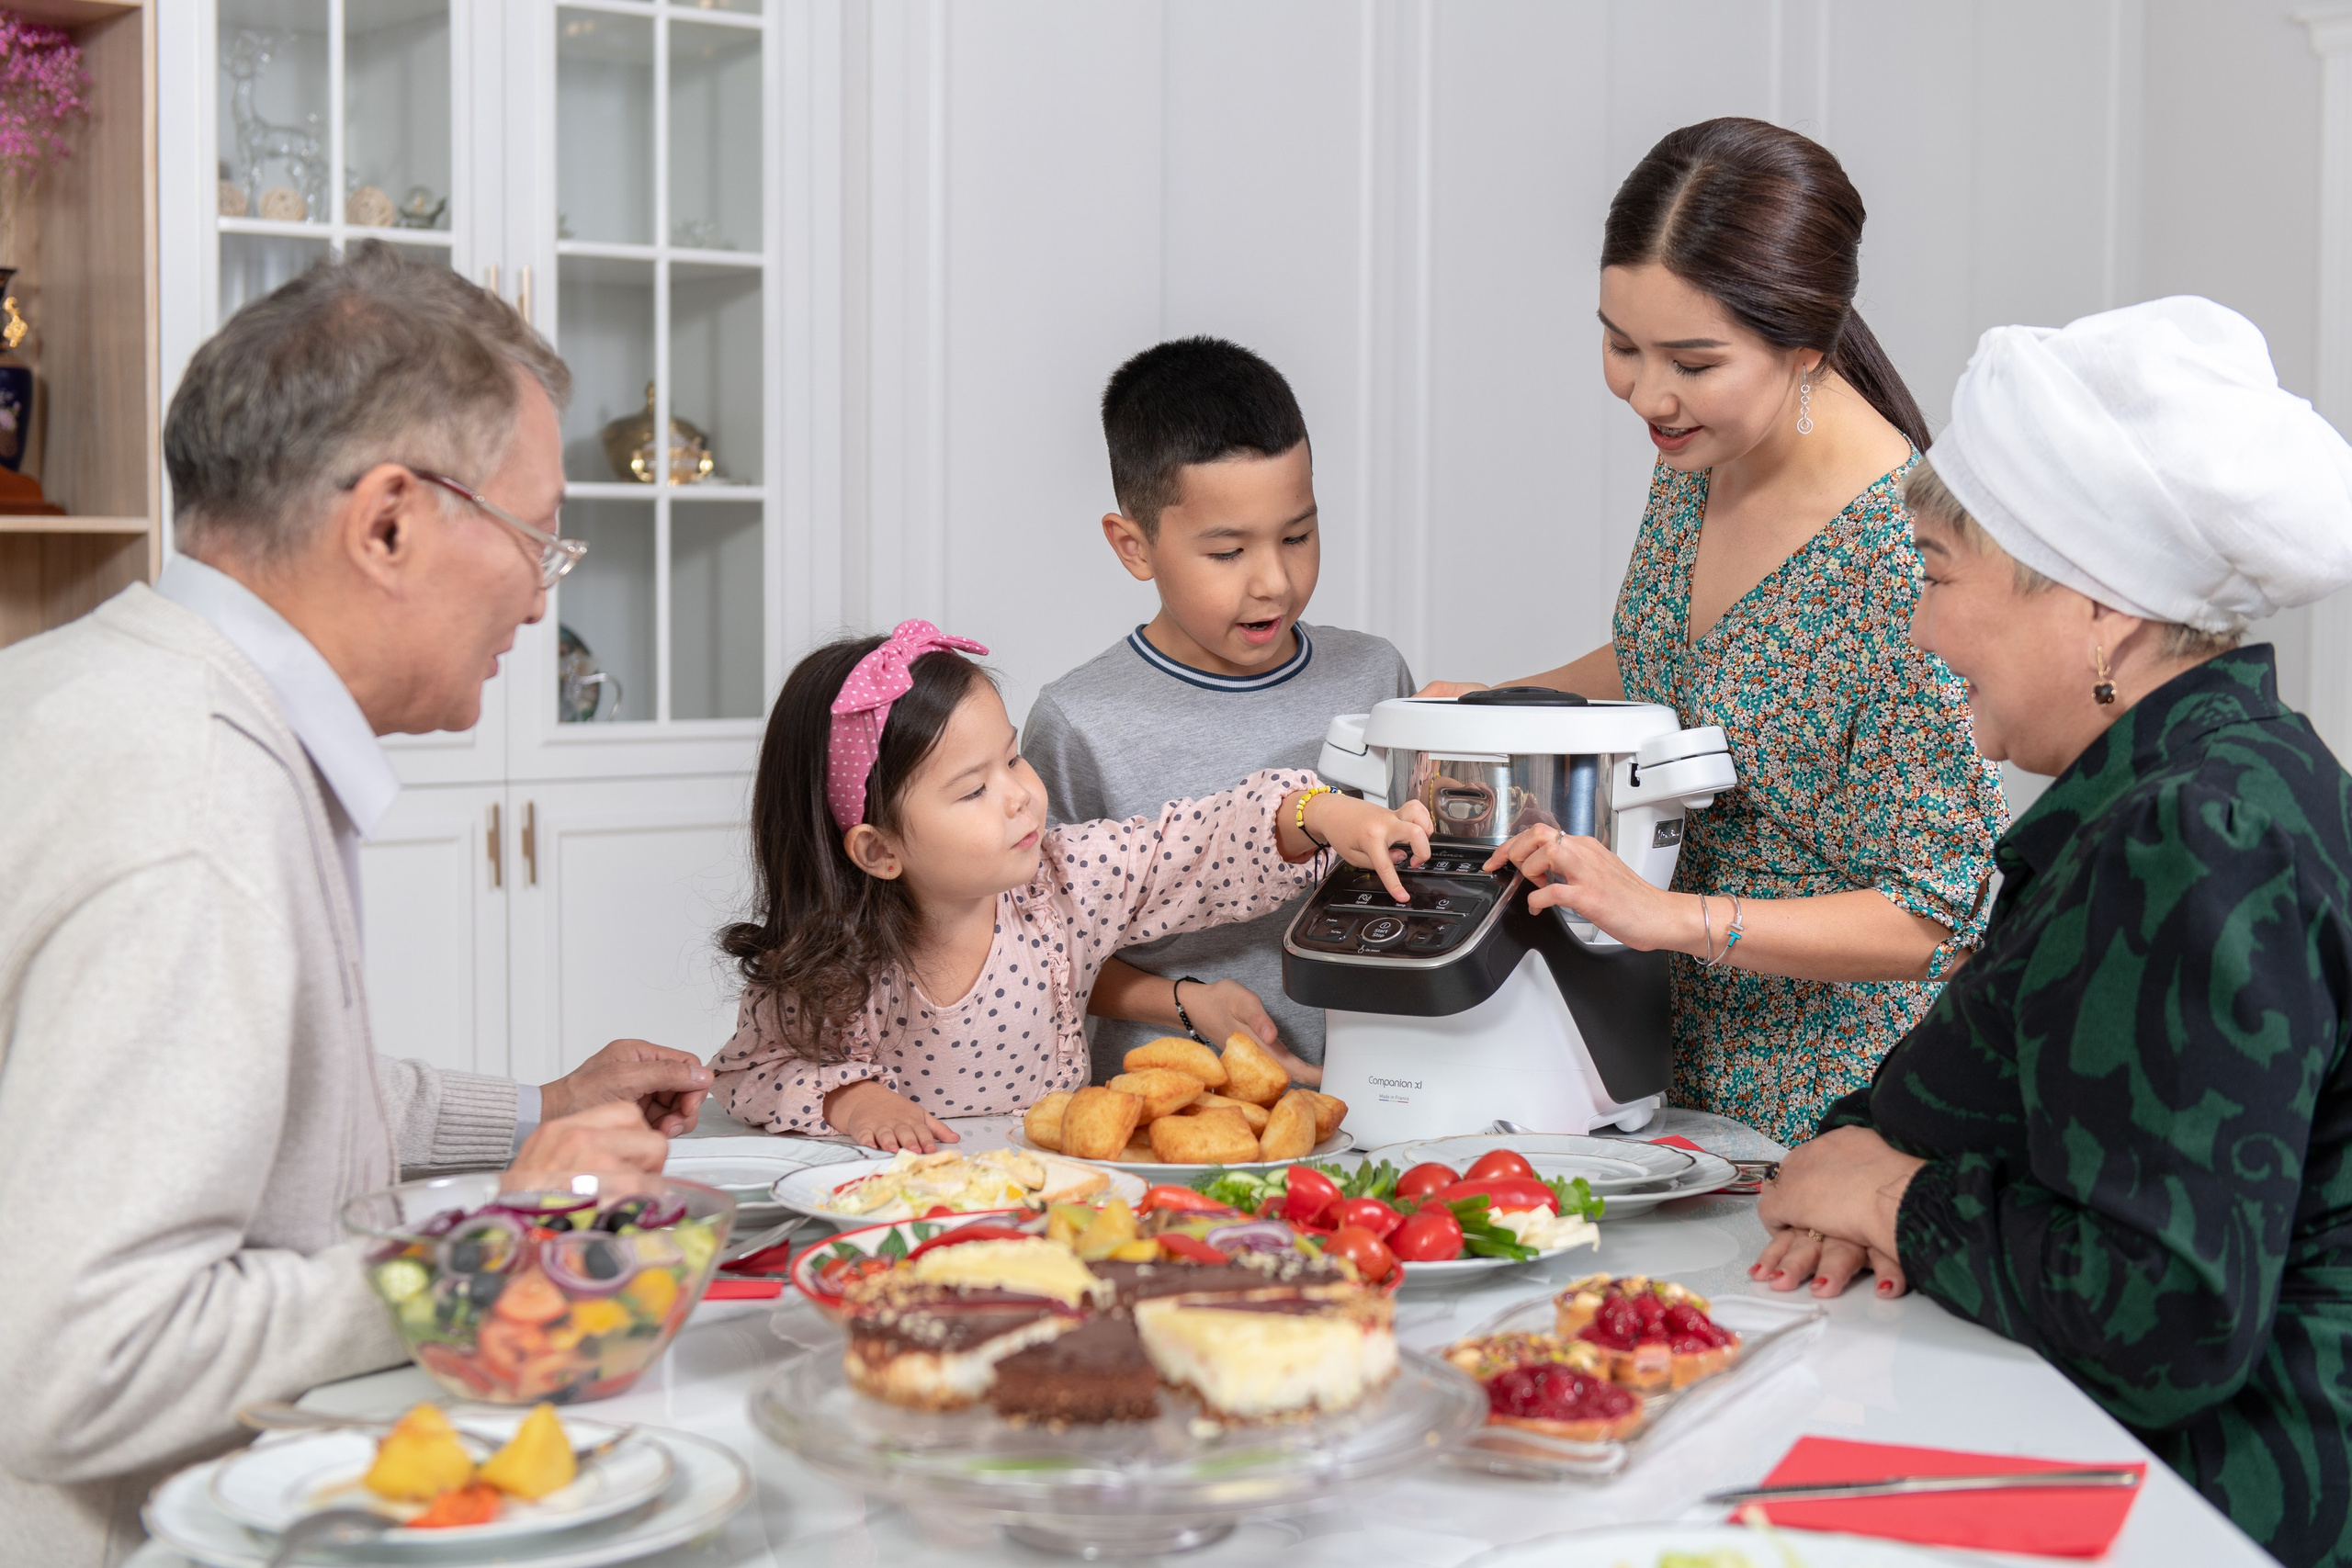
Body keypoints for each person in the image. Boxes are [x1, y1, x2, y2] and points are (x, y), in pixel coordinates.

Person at [0, 243, 712, 1565]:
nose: (547, 591)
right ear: (388, 521)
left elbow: (255, 1096)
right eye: (537, 536)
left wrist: (542, 1109)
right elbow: (82, 1363)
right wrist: (482, 1249)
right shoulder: (195, 809)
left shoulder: (110, 691)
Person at [1751, 296, 2352, 1568]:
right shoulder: (2212, 778)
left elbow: (2172, 1311)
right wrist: (1858, 1151)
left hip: (2209, 1503)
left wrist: (1894, 1197)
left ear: (2101, 610)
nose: (1918, 632)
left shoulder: (2193, 831)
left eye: (1936, 579)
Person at [1434, 118, 2005, 1144]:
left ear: (1806, 343)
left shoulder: (1897, 553)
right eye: (1620, 344)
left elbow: (1938, 918)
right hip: (1665, 1055)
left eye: (1691, 360)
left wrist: (1669, 920)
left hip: (1830, 1106)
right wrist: (1491, 707)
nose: (1648, 393)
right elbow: (1681, 661)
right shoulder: (1702, 450)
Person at [707, 620, 1432, 1150]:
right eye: (972, 791)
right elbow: (747, 1071)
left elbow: (1192, 844)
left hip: (1052, 1209)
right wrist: (850, 1099)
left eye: (1014, 759)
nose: (1021, 795)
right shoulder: (830, 971)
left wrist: (1315, 812)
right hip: (899, 1228)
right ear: (878, 848)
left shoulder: (1064, 886)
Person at [1022, 337, 1417, 1087]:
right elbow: (1035, 946)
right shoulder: (1078, 724)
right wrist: (1185, 1002)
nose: (1273, 580)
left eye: (1298, 535)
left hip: (1364, 1097)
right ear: (1133, 546)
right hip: (1168, 1112)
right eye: (1228, 552)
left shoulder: (1374, 674)